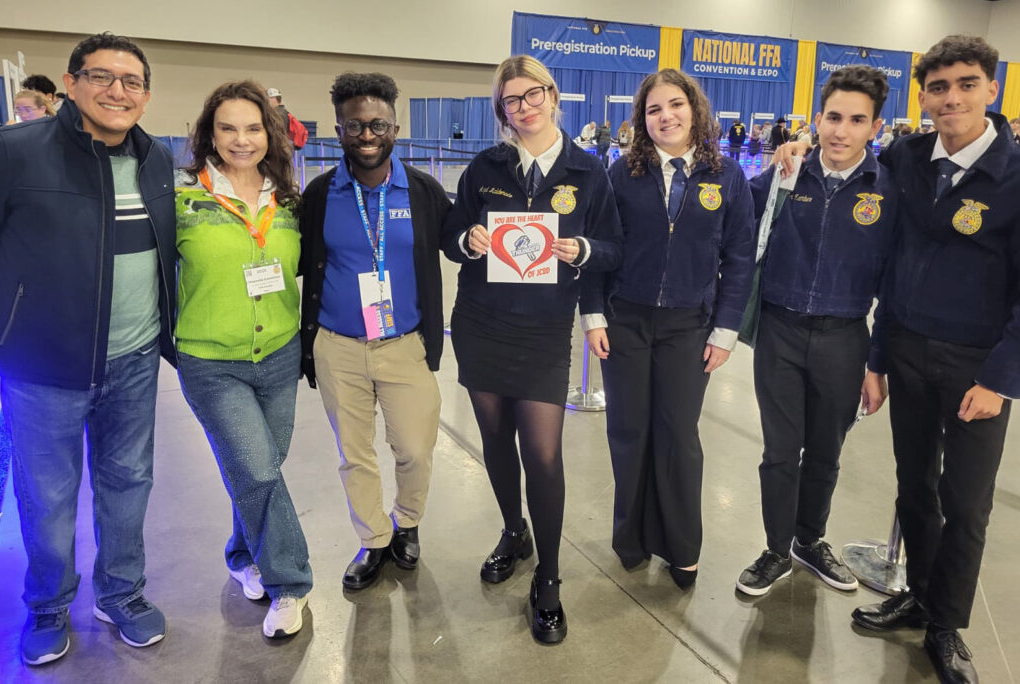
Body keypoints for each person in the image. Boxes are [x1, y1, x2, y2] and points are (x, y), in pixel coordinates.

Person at [776, 35, 1018, 684]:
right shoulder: (907, 159)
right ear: (923, 99)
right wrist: (878, 358)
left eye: (966, 84)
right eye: (938, 88)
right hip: (907, 350)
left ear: (992, 89)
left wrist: (1001, 379)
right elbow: (879, 236)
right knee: (915, 487)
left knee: (966, 502)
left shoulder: (1015, 174)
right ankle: (917, 596)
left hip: (977, 367)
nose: (952, 98)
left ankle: (946, 626)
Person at [0, 32, 177, 665]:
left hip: (134, 359)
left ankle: (121, 592)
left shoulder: (156, 159)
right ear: (71, 84)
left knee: (128, 481)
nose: (117, 91)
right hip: (43, 364)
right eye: (101, 76)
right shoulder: (14, 152)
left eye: (132, 82)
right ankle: (48, 604)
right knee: (47, 494)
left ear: (146, 96)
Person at [440, 55, 622, 644]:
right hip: (482, 322)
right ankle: (513, 532)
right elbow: (451, 236)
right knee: (495, 441)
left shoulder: (588, 171)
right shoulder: (485, 167)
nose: (525, 106)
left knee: (543, 455)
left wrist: (583, 250)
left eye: (533, 93)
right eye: (512, 99)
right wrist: (468, 239)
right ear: (502, 110)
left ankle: (549, 575)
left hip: (544, 331)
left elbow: (614, 248)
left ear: (553, 95)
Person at [588, 68, 754, 590]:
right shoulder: (621, 174)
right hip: (626, 320)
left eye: (676, 105)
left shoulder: (726, 176)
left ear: (694, 109)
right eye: (654, 109)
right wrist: (593, 315)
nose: (666, 117)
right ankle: (631, 539)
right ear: (642, 119)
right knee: (628, 431)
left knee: (678, 434)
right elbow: (600, 248)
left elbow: (740, 258)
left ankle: (682, 547)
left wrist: (725, 329)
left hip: (689, 325)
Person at [736, 65, 898, 597]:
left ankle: (809, 539)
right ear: (818, 118)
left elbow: (894, 287)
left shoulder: (888, 191)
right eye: (833, 117)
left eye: (856, 120)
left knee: (826, 452)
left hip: (846, 337)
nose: (841, 131)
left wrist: (877, 363)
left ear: (875, 126)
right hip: (780, 333)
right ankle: (775, 550)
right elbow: (735, 218)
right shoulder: (786, 176)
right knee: (780, 451)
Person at [299, 72, 450, 592]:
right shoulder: (320, 194)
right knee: (355, 454)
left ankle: (407, 521)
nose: (367, 135)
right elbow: (294, 257)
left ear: (395, 128)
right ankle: (374, 538)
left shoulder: (423, 191)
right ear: (338, 130)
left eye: (378, 125)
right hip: (337, 347)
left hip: (404, 345)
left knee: (414, 449)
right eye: (355, 125)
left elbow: (462, 242)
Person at [174, 80, 312, 638]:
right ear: (209, 133)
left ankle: (241, 554)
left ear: (269, 134)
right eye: (227, 128)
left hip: (279, 355)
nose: (241, 139)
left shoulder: (290, 201)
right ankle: (291, 583)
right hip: (212, 363)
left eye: (253, 128)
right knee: (255, 468)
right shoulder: (184, 198)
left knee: (258, 470)